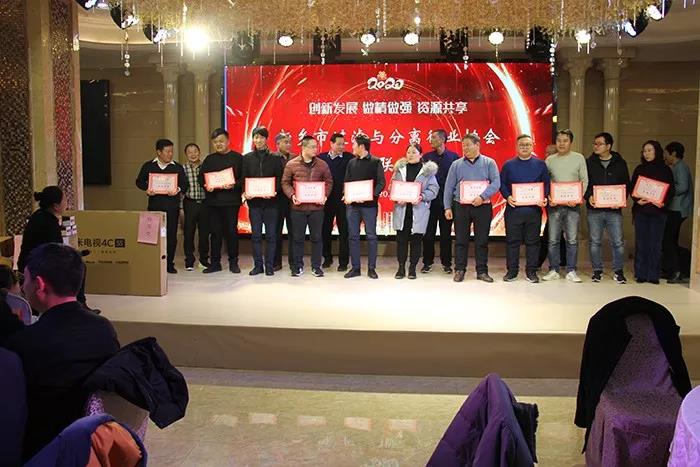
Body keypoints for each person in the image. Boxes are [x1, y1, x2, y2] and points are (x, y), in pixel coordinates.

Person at [0, 243, 120, 461]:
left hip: (40, 452)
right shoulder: (104, 329)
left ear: (39, 285)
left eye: (24, 279)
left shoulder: (23, 344)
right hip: (94, 448)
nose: (23, 286)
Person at [17, 186, 96, 311]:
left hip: (36, 260)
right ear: (55, 206)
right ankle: (79, 305)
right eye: (64, 200)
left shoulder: (39, 216)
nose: (66, 203)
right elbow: (55, 251)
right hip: (37, 264)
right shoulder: (48, 223)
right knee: (79, 266)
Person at [443, 133, 500, 283]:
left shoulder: (489, 163)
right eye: (463, 146)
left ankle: (482, 271)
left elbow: (496, 183)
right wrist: (447, 207)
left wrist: (482, 196)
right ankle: (459, 269)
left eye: (468, 145)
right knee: (461, 239)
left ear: (477, 145)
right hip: (461, 206)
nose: (465, 148)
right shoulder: (456, 165)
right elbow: (448, 187)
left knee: (482, 240)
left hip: (483, 206)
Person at [500, 134, 550, 283]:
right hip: (514, 210)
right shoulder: (508, 165)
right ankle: (512, 271)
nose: (525, 147)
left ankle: (531, 271)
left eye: (528, 145)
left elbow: (546, 183)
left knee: (533, 242)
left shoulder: (540, 164)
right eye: (522, 145)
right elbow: (502, 183)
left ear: (532, 146)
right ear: (516, 147)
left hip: (534, 210)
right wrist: (508, 196)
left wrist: (544, 196)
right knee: (512, 242)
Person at [281, 136, 333, 277]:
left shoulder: (322, 164)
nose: (316, 149)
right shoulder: (292, 164)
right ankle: (297, 266)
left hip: (317, 209)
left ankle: (316, 266)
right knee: (297, 239)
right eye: (312, 147)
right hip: (298, 209)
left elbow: (329, 181)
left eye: (316, 146)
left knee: (317, 238)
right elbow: (285, 182)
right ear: (303, 147)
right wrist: (292, 195)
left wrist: (325, 195)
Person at [135, 138, 189, 274]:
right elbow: (139, 181)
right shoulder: (149, 166)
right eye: (167, 151)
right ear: (159, 152)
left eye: (171, 151)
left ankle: (169, 263)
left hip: (172, 208)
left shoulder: (177, 167)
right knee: (152, 236)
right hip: (154, 207)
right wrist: (147, 189)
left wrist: (177, 189)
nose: (170, 154)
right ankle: (153, 263)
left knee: (171, 236)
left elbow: (185, 184)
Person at [543, 129, 588, 283]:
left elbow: (584, 180)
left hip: (572, 206)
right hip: (554, 205)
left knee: (572, 240)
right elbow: (545, 182)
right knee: (553, 240)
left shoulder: (579, 158)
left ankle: (571, 270)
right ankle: (554, 269)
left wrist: (578, 197)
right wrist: (549, 196)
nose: (561, 144)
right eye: (559, 140)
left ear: (571, 142)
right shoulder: (550, 160)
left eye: (565, 140)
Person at [585, 132, 630, 284]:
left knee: (617, 242)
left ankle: (618, 271)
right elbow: (584, 183)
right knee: (595, 242)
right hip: (594, 210)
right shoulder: (589, 162)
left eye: (600, 144)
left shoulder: (620, 163)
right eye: (594, 143)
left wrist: (621, 200)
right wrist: (588, 196)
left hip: (614, 210)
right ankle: (597, 271)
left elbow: (626, 185)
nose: (596, 146)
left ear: (608, 146)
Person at [391, 143, 439, 279]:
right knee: (401, 240)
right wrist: (397, 197)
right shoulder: (400, 170)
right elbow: (392, 187)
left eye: (414, 152)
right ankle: (401, 267)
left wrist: (421, 196)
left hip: (418, 211)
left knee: (416, 241)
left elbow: (434, 190)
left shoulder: (427, 172)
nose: (411, 155)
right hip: (402, 210)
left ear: (420, 155)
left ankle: (412, 268)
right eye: (409, 152)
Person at [199, 128, 244, 274]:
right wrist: (207, 185)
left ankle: (233, 262)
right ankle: (215, 263)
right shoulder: (209, 159)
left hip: (231, 202)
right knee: (215, 233)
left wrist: (234, 184)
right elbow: (201, 178)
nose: (218, 144)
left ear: (228, 141)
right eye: (215, 142)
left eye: (221, 141)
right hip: (213, 203)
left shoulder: (238, 158)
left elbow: (244, 179)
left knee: (232, 232)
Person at [630, 140, 675, 284]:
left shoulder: (665, 170)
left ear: (657, 152)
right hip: (641, 211)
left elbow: (671, 190)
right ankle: (641, 273)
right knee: (641, 243)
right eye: (644, 151)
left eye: (649, 150)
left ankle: (654, 274)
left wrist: (663, 202)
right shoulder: (639, 169)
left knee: (655, 244)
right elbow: (632, 188)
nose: (646, 154)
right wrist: (637, 200)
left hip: (658, 212)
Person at [241, 126, 282, 276]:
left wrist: (273, 191)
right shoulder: (247, 158)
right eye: (256, 137)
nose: (258, 140)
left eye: (261, 137)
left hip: (271, 203)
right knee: (256, 236)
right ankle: (258, 266)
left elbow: (280, 180)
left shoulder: (275, 158)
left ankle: (269, 266)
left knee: (271, 236)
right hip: (254, 204)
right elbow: (244, 179)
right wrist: (246, 193)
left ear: (266, 139)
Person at [344, 134, 386, 279]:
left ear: (361, 146)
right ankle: (355, 268)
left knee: (371, 236)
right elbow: (347, 181)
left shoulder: (375, 161)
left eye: (354, 144)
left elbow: (381, 182)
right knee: (353, 236)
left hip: (369, 206)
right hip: (353, 206)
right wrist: (346, 194)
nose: (352, 147)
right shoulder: (351, 163)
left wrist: (371, 195)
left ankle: (371, 268)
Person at [421, 129, 460, 274]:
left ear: (442, 140)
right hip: (429, 203)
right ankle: (427, 262)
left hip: (447, 203)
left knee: (446, 235)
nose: (430, 140)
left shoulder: (454, 158)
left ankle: (446, 263)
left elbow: (457, 180)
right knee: (428, 234)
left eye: (433, 137)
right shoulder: (426, 158)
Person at [318, 133, 353, 271]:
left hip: (343, 200)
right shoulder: (321, 158)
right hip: (326, 200)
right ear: (331, 144)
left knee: (344, 231)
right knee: (325, 230)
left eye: (343, 144)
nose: (341, 147)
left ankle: (343, 262)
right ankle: (327, 258)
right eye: (339, 144)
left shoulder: (350, 158)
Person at [663, 141, 694, 283]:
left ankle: (676, 270)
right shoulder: (677, 167)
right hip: (676, 208)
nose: (665, 156)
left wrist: (665, 191)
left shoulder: (680, 167)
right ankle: (674, 269)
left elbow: (683, 187)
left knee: (668, 240)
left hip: (678, 208)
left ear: (673, 153)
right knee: (671, 240)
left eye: (666, 153)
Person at [182, 143, 209, 271]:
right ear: (186, 155)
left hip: (205, 203)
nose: (193, 154)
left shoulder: (206, 167)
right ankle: (189, 261)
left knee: (204, 233)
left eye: (195, 151)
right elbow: (180, 189)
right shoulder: (183, 169)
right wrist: (180, 208)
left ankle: (203, 260)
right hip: (190, 203)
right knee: (189, 233)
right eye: (190, 152)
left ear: (199, 152)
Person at [272, 132, 296, 272]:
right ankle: (276, 262)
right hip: (276, 199)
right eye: (285, 142)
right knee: (276, 232)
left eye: (289, 142)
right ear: (277, 144)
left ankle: (293, 262)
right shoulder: (271, 158)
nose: (288, 145)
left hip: (292, 199)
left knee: (294, 232)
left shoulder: (295, 158)